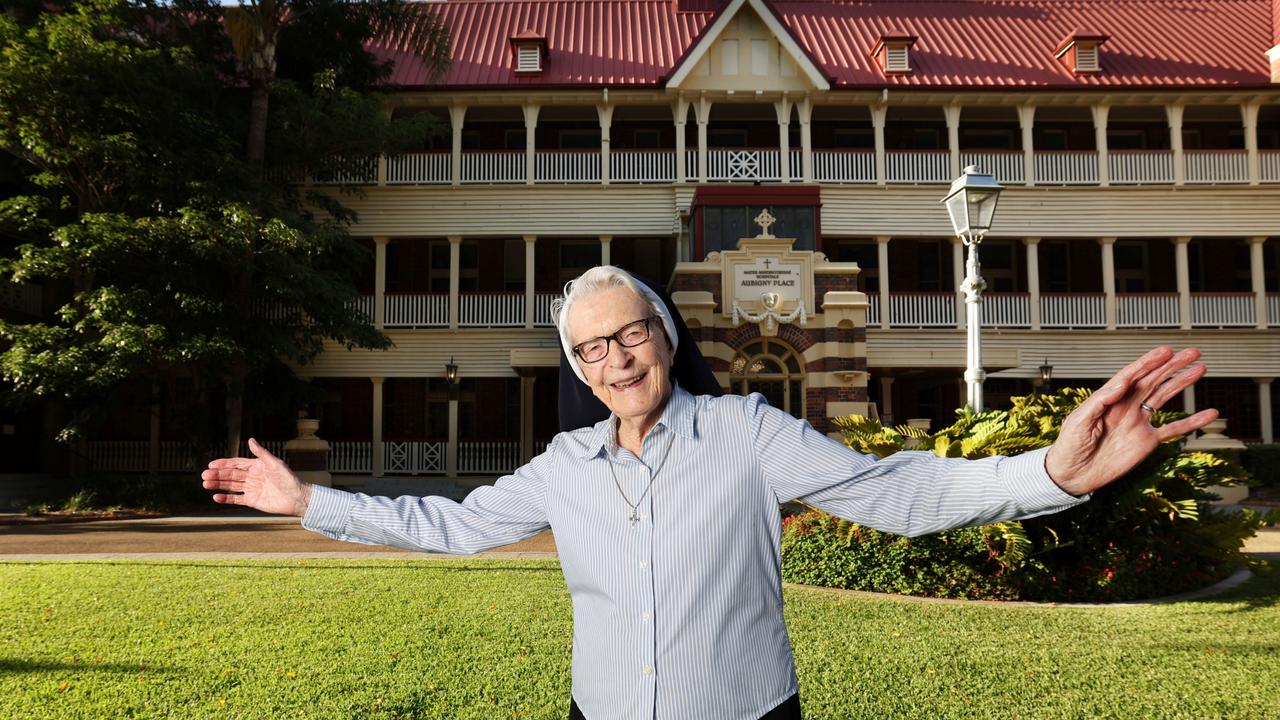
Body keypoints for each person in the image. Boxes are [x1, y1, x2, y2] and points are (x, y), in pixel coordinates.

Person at [201, 265, 1217, 720]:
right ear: (579, 367)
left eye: (630, 333)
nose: (615, 356)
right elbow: (453, 525)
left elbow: (892, 491)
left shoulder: (745, 434)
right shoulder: (563, 466)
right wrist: (307, 504)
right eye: (591, 347)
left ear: (664, 338)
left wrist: (1047, 473)